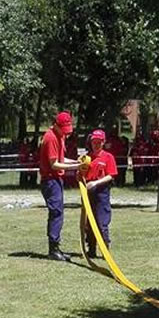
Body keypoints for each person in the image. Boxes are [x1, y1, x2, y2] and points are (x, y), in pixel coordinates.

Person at [39, 111, 81, 262]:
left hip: (56, 179)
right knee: (56, 212)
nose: (66, 133)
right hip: (50, 180)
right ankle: (53, 249)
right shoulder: (50, 138)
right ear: (56, 125)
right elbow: (54, 164)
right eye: (64, 129)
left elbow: (62, 159)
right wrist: (76, 167)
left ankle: (56, 248)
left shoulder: (59, 136)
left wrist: (77, 162)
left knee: (59, 212)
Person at [79, 129, 117, 259]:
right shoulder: (87, 158)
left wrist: (96, 183)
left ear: (103, 142)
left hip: (101, 192)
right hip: (88, 192)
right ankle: (91, 249)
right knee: (88, 223)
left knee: (101, 222)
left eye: (99, 142)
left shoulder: (108, 157)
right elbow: (81, 174)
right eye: (94, 142)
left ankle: (105, 250)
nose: (96, 144)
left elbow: (111, 175)